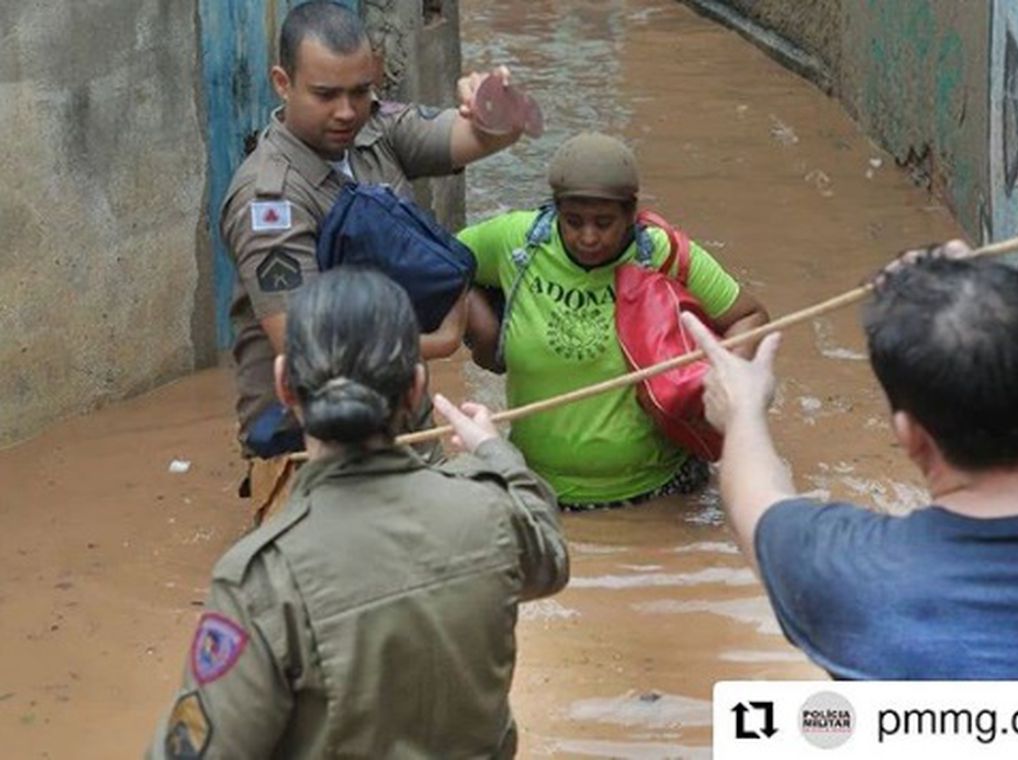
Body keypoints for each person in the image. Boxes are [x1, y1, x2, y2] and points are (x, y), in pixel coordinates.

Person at [148, 267, 568, 758]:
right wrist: (494, 451)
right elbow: (550, 555)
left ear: (285, 385)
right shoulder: (491, 512)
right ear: (415, 387)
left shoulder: (261, 581)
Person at [683, 242, 1018, 679]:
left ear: (909, 436)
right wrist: (1000, 309)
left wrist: (742, 410)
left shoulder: (848, 575)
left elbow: (754, 500)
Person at [225, 1, 526, 521]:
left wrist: (498, 108)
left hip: (404, 416)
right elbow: (305, 349)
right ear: (282, 83)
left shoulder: (377, 129)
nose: (346, 111)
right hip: (312, 443)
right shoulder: (269, 201)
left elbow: (484, 135)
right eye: (326, 95)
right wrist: (441, 339)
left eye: (360, 91)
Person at [457, 132, 769, 509]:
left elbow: (750, 318)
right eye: (573, 221)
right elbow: (438, 263)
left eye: (604, 223)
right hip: (536, 492)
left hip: (661, 495)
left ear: (631, 213)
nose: (588, 237)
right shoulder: (517, 244)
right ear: (555, 209)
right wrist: (485, 333)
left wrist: (715, 381)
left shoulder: (665, 256)